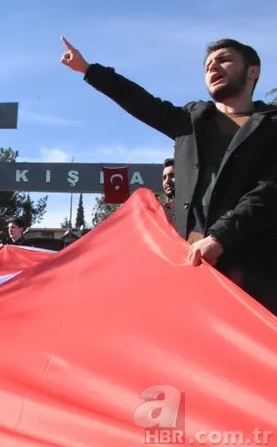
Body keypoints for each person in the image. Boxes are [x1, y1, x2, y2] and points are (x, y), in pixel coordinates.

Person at [60, 36, 277, 312]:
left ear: (253, 72)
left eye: (224, 59)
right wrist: (89, 70)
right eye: (208, 64)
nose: (213, 67)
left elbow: (270, 190)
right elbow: (141, 102)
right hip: (191, 266)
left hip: (252, 275)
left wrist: (221, 237)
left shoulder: (271, 126)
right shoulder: (190, 120)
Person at [162, 158, 176, 226]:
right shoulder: (162, 211)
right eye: (164, 177)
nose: (167, 181)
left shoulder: (195, 210)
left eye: (172, 175)